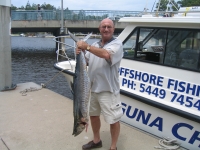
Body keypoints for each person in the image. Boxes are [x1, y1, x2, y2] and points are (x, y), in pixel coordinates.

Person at [76, 18, 123, 150]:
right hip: (92, 89)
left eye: (109, 27)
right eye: (103, 27)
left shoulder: (117, 44)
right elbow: (87, 61)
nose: (106, 29)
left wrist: (87, 47)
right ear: (99, 29)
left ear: (113, 29)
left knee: (113, 120)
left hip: (108, 90)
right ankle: (97, 141)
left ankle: (113, 147)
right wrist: (80, 53)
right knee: (94, 116)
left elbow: (106, 55)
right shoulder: (96, 44)